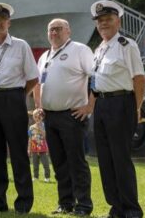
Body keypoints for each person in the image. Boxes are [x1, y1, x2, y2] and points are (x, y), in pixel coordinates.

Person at [0, 2, 38, 214]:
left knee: (19, 152)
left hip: (13, 98)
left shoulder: (21, 45)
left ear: (8, 22)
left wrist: (19, 95)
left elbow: (33, 77)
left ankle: (23, 203)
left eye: (1, 20)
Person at [32, 18, 94, 216]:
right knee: (58, 162)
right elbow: (37, 83)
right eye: (50, 30)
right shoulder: (44, 57)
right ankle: (65, 203)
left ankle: (83, 205)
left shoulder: (80, 50)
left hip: (72, 115)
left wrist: (89, 106)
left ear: (68, 31)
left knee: (76, 162)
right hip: (50, 117)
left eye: (58, 29)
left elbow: (96, 76)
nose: (54, 33)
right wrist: (38, 106)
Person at [89, 0, 145, 218]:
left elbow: (139, 79)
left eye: (108, 19)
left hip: (121, 103)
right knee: (105, 159)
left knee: (120, 158)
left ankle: (131, 209)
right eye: (100, 21)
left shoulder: (126, 45)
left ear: (118, 22)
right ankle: (116, 207)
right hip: (101, 105)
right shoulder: (99, 49)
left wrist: (136, 108)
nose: (104, 24)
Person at [28, 109, 51, 183]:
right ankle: (35, 177)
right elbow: (30, 139)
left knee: (46, 164)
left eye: (39, 116)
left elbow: (44, 136)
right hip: (34, 149)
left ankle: (47, 177)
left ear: (42, 117)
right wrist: (29, 149)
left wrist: (40, 127)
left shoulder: (44, 126)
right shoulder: (31, 127)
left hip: (43, 149)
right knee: (35, 164)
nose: (37, 118)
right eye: (35, 116)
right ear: (33, 117)